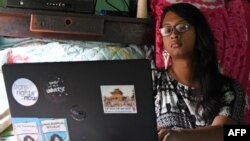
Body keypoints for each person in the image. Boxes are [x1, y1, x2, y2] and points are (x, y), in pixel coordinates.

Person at [153, 2, 246, 141]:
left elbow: (229, 134)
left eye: (182, 27)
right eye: (167, 30)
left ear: (198, 32)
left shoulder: (229, 89)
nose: (174, 34)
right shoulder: (152, 80)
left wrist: (178, 136)